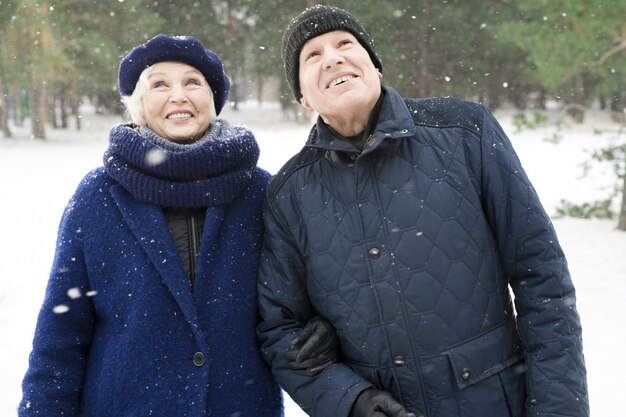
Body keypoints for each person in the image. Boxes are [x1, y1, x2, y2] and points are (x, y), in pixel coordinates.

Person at [257, 5, 589, 417]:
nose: (333, 57)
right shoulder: (289, 193)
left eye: (345, 43)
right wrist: (349, 399)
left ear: (375, 68)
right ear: (304, 97)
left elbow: (542, 279)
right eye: (312, 55)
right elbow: (280, 331)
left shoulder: (466, 133)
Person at [18, 34, 333, 417]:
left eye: (193, 82)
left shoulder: (259, 191)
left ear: (212, 102)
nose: (179, 95)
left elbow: (297, 300)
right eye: (160, 84)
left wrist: (321, 328)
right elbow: (60, 335)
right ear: (137, 107)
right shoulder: (97, 196)